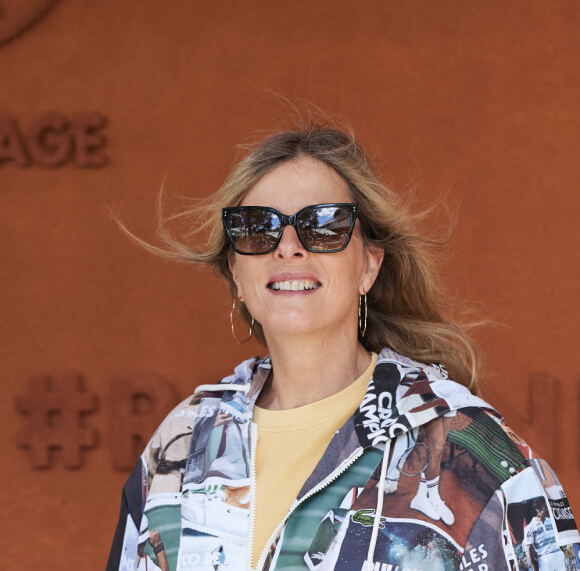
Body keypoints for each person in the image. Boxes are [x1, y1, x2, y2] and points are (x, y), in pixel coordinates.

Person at [107, 124, 579, 571]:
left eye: (325, 225)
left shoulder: (464, 451)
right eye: (257, 226)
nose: (288, 246)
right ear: (236, 273)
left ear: (369, 267)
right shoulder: (182, 445)